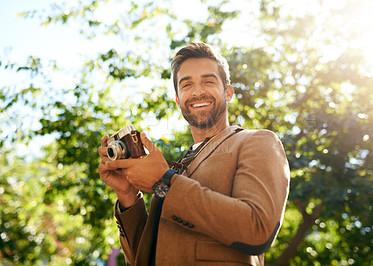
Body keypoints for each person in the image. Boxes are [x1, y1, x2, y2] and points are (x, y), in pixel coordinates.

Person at [98, 42, 290, 266]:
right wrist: (128, 195)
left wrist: (165, 181)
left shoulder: (257, 141)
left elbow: (258, 229)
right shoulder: (177, 168)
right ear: (178, 100)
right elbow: (142, 258)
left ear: (228, 92)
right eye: (187, 84)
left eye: (208, 81)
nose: (198, 91)